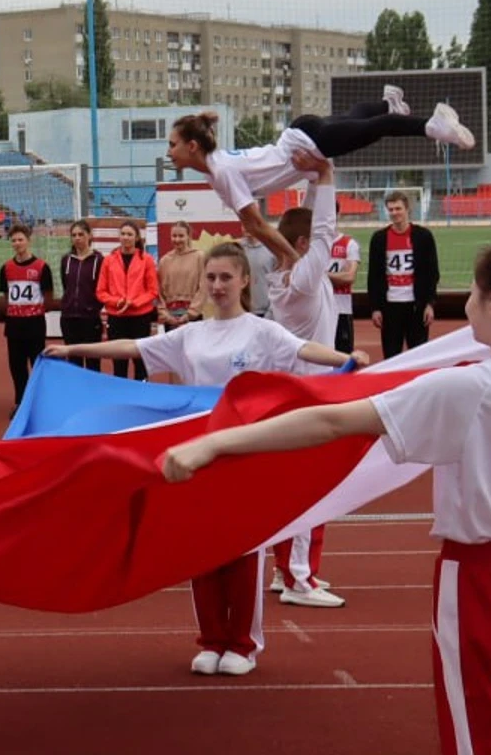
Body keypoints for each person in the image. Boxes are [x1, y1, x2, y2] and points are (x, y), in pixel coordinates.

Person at [162, 241, 491, 751]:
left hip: (489, 583)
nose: (469, 303)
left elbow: (332, 420)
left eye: (474, 292)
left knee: (488, 735)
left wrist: (214, 443)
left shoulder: (471, 386)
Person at [46, 243, 366, 676]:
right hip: (199, 453)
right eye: (211, 278)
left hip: (247, 453)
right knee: (200, 548)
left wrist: (348, 359)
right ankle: (212, 639)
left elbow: (305, 350)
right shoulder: (190, 335)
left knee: (243, 547)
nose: (217, 286)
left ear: (244, 281)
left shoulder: (262, 331)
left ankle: (244, 643)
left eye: (225, 278)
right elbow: (134, 347)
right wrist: (72, 350)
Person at [166, 98, 472, 267]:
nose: (169, 152)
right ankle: (388, 101)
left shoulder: (220, 172)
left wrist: (292, 258)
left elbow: (257, 225)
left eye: (173, 144)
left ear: (192, 146)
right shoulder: (214, 169)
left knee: (376, 128)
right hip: (298, 134)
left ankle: (432, 126)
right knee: (354, 114)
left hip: (306, 146)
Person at [259, 155, 347, 609]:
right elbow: (324, 233)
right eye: (310, 243)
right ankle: (297, 577)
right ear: (300, 244)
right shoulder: (302, 282)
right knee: (310, 490)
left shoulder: (293, 274)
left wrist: (315, 176)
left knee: (303, 486)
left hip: (303, 391)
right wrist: (327, 178)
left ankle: (287, 571)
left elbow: (314, 227)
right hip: (308, 395)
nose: (321, 247)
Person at [369, 191, 440, 360]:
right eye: (391, 209)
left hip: (417, 306)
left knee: (419, 355)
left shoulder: (423, 237)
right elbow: (374, 275)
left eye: (398, 208)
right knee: (392, 355)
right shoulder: (379, 239)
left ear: (407, 209)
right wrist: (375, 308)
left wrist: (430, 303)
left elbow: (432, 272)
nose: (394, 213)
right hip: (390, 305)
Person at [96, 219, 159, 381]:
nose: (125, 237)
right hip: (116, 319)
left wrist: (134, 302)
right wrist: (116, 302)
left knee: (140, 361)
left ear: (137, 237)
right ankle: (121, 396)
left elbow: (153, 291)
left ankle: (142, 394)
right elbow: (101, 291)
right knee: (119, 362)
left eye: (129, 234)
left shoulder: (147, 260)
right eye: (123, 234)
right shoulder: (109, 260)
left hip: (140, 318)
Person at [0, 225, 54, 409]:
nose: (17, 243)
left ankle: (39, 402)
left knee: (37, 365)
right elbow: (7, 296)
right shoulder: (6, 268)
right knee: (17, 366)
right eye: (14, 240)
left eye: (20, 239)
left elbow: (48, 297)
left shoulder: (41, 267)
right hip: (14, 325)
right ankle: (20, 403)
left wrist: (33, 311)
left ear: (28, 240)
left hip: (35, 324)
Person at [57, 220, 104, 371]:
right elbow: (66, 285)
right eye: (74, 235)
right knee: (73, 361)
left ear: (89, 236)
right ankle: (76, 393)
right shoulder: (66, 260)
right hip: (69, 318)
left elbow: (101, 288)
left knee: (93, 362)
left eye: (81, 234)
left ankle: (92, 394)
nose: (77, 238)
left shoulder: (99, 260)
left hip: (90, 319)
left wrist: (93, 307)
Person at [158, 221, 205, 330]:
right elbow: (158, 292)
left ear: (188, 236)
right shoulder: (164, 261)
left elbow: (204, 288)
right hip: (170, 318)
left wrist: (190, 313)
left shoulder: (199, 257)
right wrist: (164, 313)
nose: (177, 239)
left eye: (181, 236)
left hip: (193, 317)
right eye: (174, 236)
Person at [329, 223, 361, 356]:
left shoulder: (349, 243)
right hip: (315, 311)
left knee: (343, 356)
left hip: (341, 309)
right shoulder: (310, 244)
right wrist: (337, 277)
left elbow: (349, 277)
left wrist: (319, 276)